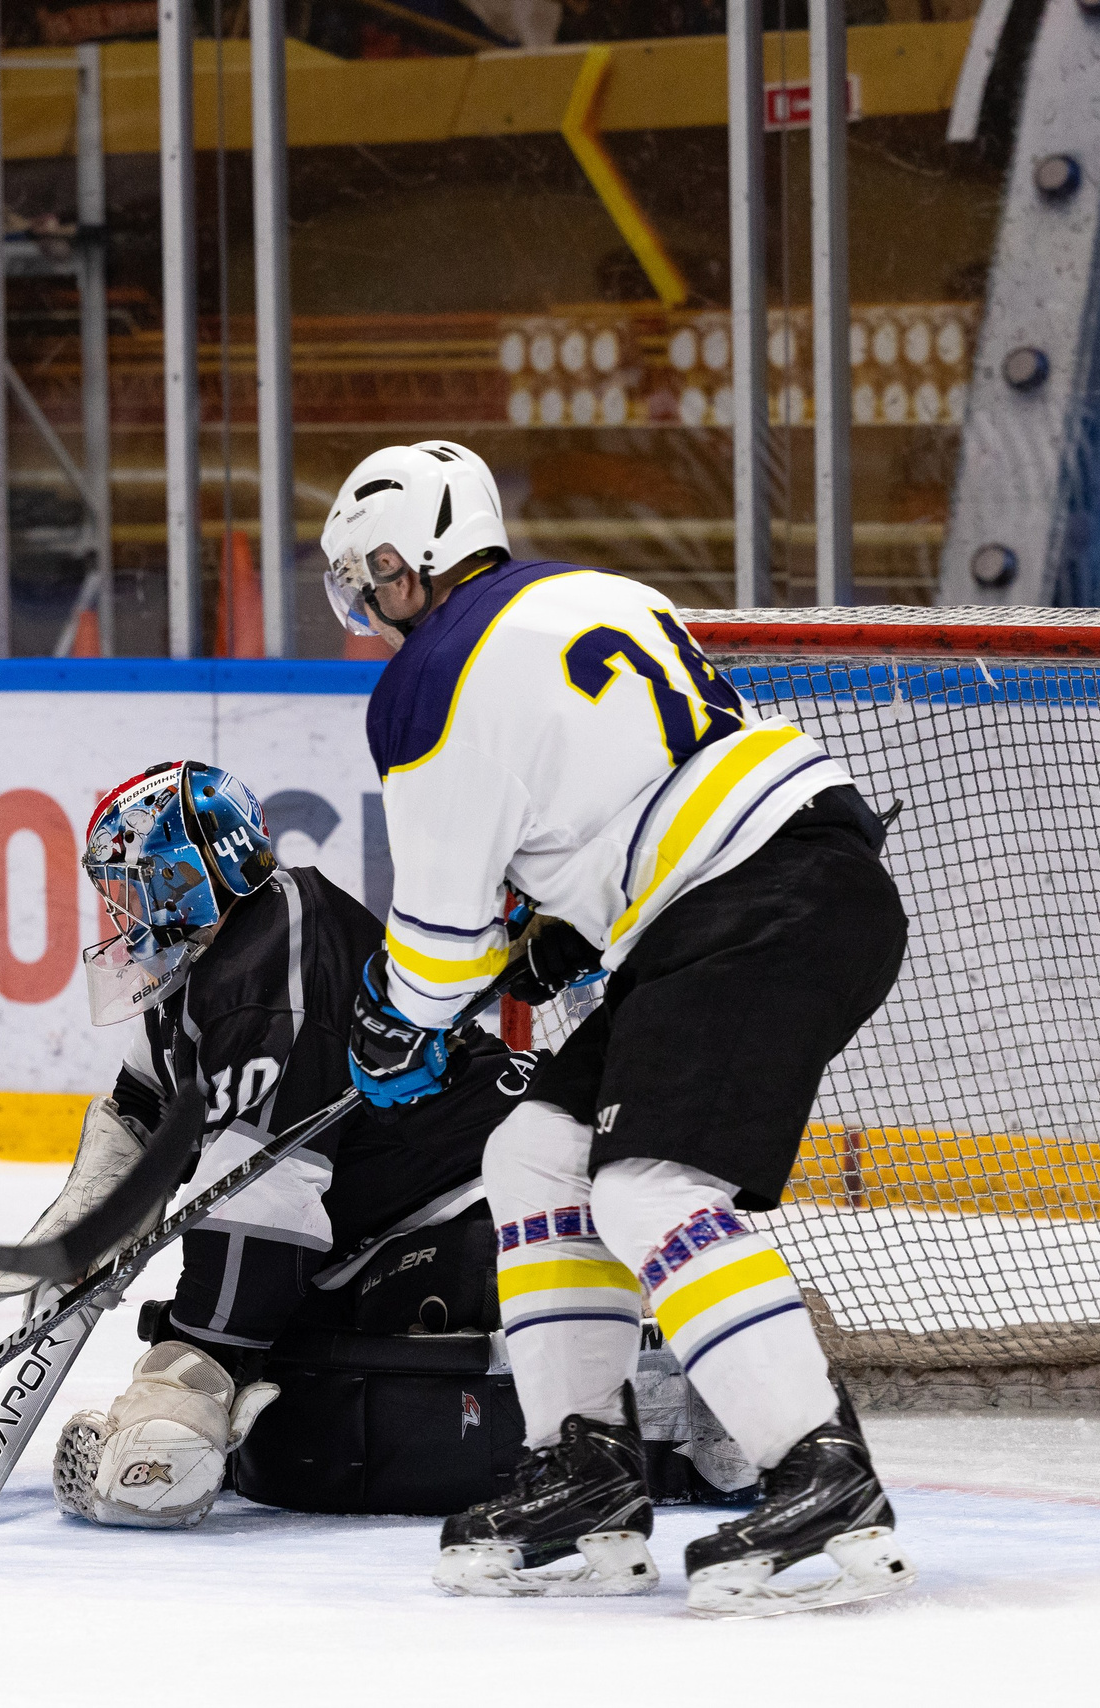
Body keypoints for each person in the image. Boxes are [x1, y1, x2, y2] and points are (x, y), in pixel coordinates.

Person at [321, 440, 914, 1616]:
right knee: (532, 1151)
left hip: (755, 901)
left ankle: (820, 1468)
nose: (372, 609)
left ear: (416, 554)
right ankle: (583, 1464)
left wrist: (394, 1026)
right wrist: (572, 930)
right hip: (762, 886)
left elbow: (437, 941)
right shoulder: (597, 592)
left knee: (646, 1185)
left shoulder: (428, 680)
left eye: (373, 575)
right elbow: (641, 789)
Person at [0, 760, 553, 1529]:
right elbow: (143, 1109)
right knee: (279, 1369)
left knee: (221, 1408)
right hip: (390, 1220)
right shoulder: (209, 957)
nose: (128, 910)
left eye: (141, 884)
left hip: (483, 1208)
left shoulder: (268, 970)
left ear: (191, 875)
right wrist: (86, 1234)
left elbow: (262, 1194)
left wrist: (186, 1374)